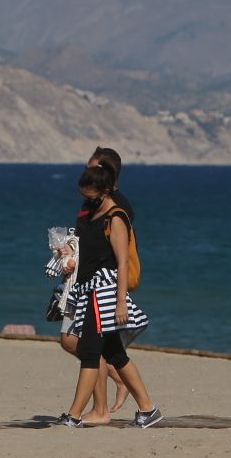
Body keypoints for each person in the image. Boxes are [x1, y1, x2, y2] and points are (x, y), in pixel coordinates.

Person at [58, 162, 162, 428]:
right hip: (88, 290)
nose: (86, 199)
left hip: (102, 292)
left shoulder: (115, 217)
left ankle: (74, 414)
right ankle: (148, 409)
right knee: (115, 353)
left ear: (104, 191)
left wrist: (120, 302)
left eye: (90, 195)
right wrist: (67, 255)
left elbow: (123, 262)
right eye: (83, 194)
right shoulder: (91, 215)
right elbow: (87, 252)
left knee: (91, 352)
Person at [57, 147, 132, 418]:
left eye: (91, 167)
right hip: (79, 282)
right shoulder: (90, 204)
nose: (86, 171)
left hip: (99, 287)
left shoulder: (116, 210)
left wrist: (121, 299)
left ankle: (95, 409)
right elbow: (86, 242)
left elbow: (119, 257)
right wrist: (68, 252)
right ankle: (117, 394)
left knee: (88, 347)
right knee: (86, 346)